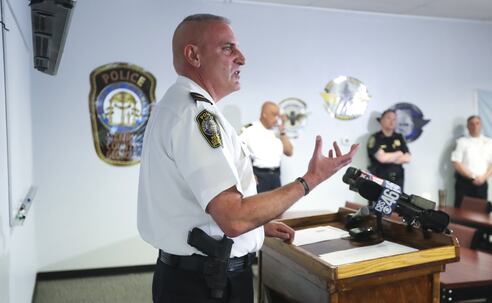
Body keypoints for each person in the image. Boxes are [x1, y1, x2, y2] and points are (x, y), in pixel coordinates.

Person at [137, 14, 358, 303]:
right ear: (193, 55)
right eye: (228, 48)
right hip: (206, 285)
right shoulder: (195, 116)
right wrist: (310, 180)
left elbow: (194, 203)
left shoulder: (179, 106)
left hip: (193, 274)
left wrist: (258, 228)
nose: (242, 58)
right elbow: (233, 217)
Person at [239, 101, 293, 193]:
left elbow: (289, 152)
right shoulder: (249, 130)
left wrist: (282, 131)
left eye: (278, 116)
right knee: (259, 206)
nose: (276, 119)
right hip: (259, 177)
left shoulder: (278, 132)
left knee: (278, 205)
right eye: (274, 115)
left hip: (276, 176)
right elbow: (239, 154)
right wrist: (247, 174)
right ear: (264, 114)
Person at [451, 115, 492, 207]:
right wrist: (471, 176)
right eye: (472, 124)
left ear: (481, 125)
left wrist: (484, 177)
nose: (475, 126)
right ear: (468, 126)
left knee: (481, 212)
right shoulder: (461, 141)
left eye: (477, 123)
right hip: (464, 183)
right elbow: (456, 162)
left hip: (482, 182)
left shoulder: (489, 142)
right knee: (461, 212)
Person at [367, 109, 411, 191]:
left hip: (397, 179)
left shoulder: (399, 137)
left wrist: (388, 157)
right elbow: (382, 159)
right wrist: (399, 153)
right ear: (381, 120)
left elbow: (407, 158)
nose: (392, 121)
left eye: (394, 119)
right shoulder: (375, 137)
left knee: (397, 202)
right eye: (389, 118)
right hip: (379, 178)